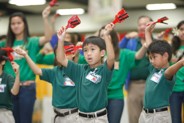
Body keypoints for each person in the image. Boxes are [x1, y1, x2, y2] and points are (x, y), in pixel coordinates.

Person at [0, 6, 53, 123]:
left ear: (24, 24)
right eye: (13, 23)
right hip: (10, 88)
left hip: (27, 88)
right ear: (10, 26)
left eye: (19, 22)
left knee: (25, 120)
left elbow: (48, 37)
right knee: (10, 120)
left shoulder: (32, 42)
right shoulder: (4, 43)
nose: (16, 25)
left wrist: (45, 18)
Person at [56, 23, 115, 123]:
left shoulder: (104, 70)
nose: (88, 53)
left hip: (99, 118)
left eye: (92, 49)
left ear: (102, 53)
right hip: (81, 118)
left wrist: (105, 36)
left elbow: (111, 58)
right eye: (85, 50)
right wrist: (61, 40)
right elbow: (61, 59)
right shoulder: (79, 69)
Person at [98, 24, 152, 123]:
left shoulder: (123, 54)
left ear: (113, 37)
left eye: (107, 34)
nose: (105, 36)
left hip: (116, 97)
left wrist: (145, 46)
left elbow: (137, 56)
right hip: (98, 97)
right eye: (102, 35)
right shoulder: (95, 55)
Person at [14, 41, 78, 123]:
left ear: (73, 54)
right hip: (57, 116)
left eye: (66, 52)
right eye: (59, 53)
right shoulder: (55, 72)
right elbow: (37, 71)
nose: (62, 55)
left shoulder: (79, 70)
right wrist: (26, 55)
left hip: (73, 116)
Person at [138, 22, 183, 123]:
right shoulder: (153, 69)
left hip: (159, 116)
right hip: (145, 114)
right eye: (150, 58)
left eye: (154, 57)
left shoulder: (168, 74)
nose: (151, 61)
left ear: (165, 56)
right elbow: (150, 48)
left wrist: (181, 62)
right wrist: (147, 31)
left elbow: (168, 72)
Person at [119, 15, 152, 123]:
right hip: (133, 85)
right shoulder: (131, 41)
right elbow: (117, 50)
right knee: (134, 118)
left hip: (151, 85)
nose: (142, 27)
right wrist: (126, 37)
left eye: (145, 24)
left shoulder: (156, 42)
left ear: (152, 26)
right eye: (140, 24)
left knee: (151, 118)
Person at [170, 20, 184, 123]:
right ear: (177, 31)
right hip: (174, 90)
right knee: (175, 120)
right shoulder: (171, 48)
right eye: (181, 29)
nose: (183, 32)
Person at [0, 48, 20, 123]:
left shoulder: (8, 77)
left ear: (3, 62)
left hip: (5, 113)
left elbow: (14, 92)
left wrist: (17, 75)